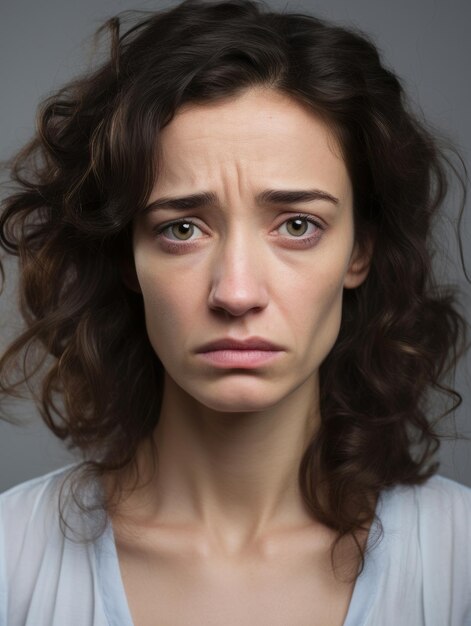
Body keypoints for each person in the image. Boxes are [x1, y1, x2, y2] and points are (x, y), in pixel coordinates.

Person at [0, 0, 470, 624]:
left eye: (298, 225)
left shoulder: (459, 560)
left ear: (360, 250)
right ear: (125, 257)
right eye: (183, 228)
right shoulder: (12, 562)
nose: (237, 292)